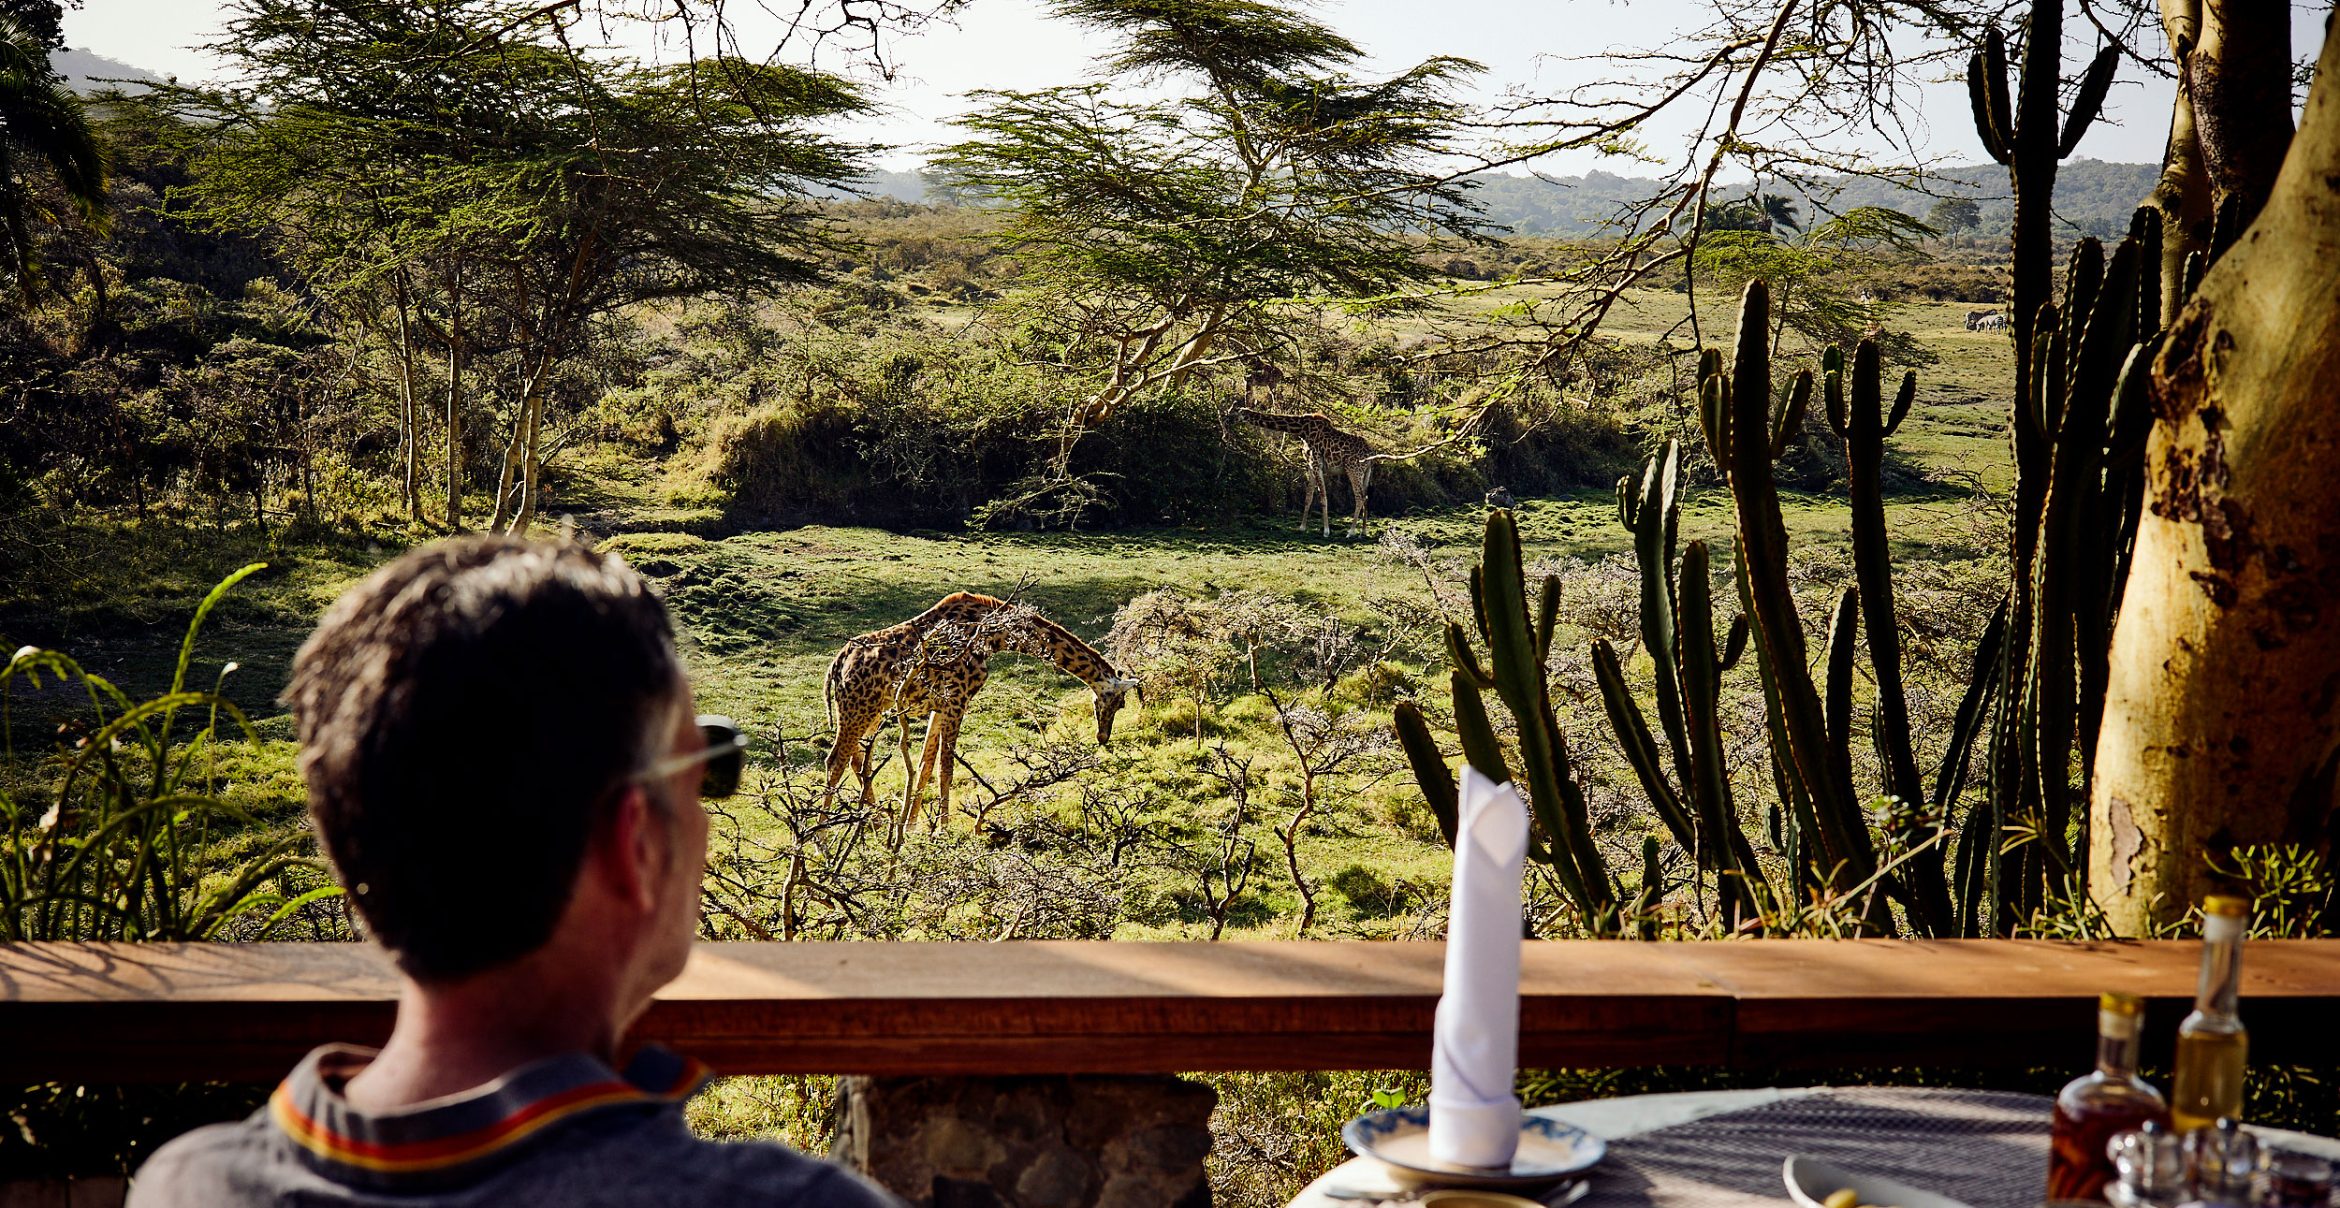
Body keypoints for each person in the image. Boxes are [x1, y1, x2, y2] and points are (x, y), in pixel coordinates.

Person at [129, 535, 896, 1207]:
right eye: (706, 766)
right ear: (636, 844)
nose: (707, 799)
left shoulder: (185, 1184)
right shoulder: (788, 1202)